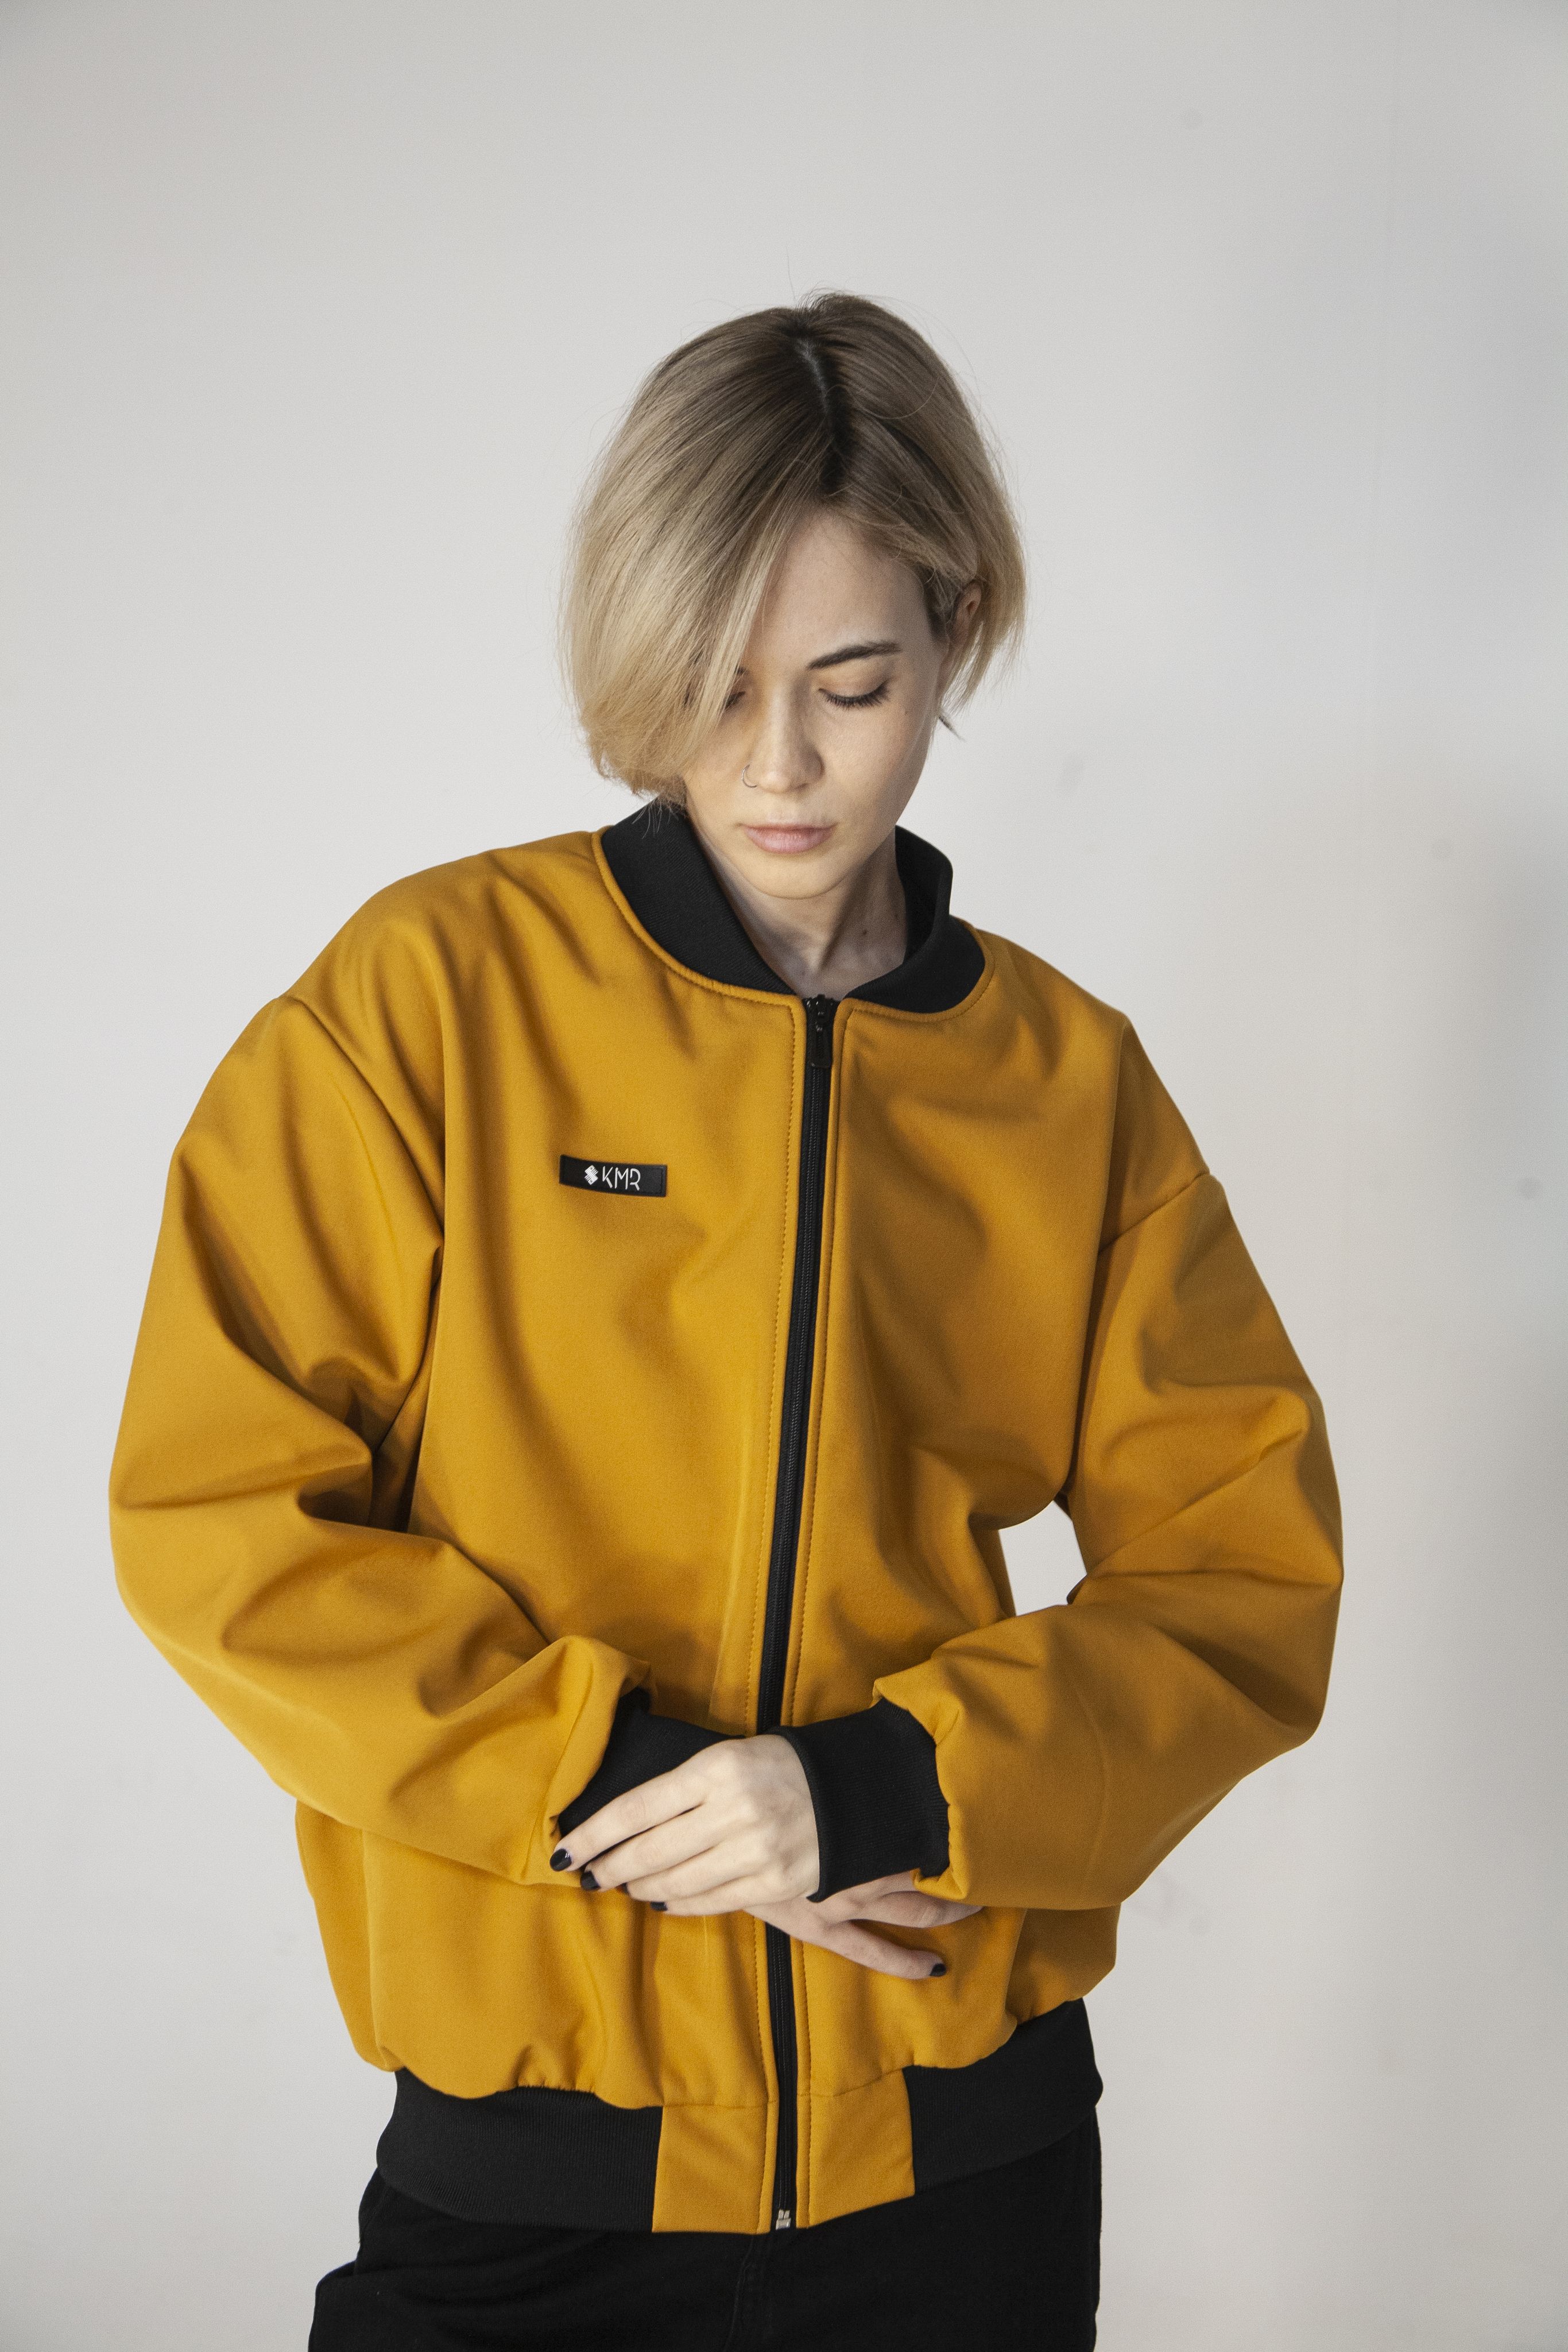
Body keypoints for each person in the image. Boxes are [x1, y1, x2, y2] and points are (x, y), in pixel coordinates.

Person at [110, 292, 1342, 2350]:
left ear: (954, 627)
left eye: (852, 684)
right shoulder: (432, 1003)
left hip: (961, 2159)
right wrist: (645, 1787)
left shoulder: (1062, 1084)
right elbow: (221, 1519)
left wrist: (877, 1790)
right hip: (537, 2159)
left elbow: (1242, 1574)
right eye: (715, 685)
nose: (777, 765)